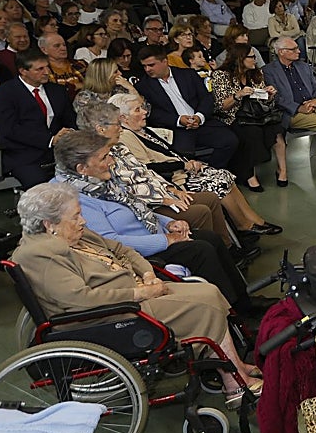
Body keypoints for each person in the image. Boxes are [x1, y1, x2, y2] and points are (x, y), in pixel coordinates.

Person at [12, 184, 262, 407]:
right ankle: (234, 384)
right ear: (49, 224)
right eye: (76, 216)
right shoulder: (39, 255)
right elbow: (80, 300)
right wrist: (139, 292)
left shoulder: (76, 234)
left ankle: (233, 367)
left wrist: (147, 274)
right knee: (203, 305)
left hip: (134, 295)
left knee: (208, 290)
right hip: (108, 315)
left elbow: (121, 249)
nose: (83, 221)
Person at [51, 131, 264, 319]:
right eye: (104, 157)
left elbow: (139, 209)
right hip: (134, 256)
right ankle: (231, 315)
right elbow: (109, 242)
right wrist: (165, 240)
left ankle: (243, 303)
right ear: (82, 168)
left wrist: (170, 223)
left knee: (211, 238)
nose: (112, 161)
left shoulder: (100, 182)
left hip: (154, 234)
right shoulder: (75, 198)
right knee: (201, 250)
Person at [110, 92, 281, 236]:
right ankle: (244, 226)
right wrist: (182, 165)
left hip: (180, 169)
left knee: (224, 175)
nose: (145, 112)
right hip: (171, 178)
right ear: (123, 117)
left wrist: (187, 162)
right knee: (219, 181)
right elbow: (149, 167)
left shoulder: (142, 130)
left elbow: (167, 153)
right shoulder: (126, 137)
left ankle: (253, 220)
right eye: (138, 110)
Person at [135, 46, 238, 169]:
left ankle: (213, 171)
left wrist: (199, 117)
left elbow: (206, 98)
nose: (147, 69)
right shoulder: (143, 86)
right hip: (174, 129)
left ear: (164, 61)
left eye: (151, 65)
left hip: (201, 123)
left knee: (230, 141)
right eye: (144, 66)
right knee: (180, 155)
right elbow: (153, 113)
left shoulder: (187, 74)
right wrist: (178, 120)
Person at [0, 47, 76, 188]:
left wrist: (68, 133)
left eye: (47, 67)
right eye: (39, 69)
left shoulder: (57, 90)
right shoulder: (3, 94)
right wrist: (50, 140)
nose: (47, 72)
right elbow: (9, 129)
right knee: (44, 190)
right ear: (23, 71)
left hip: (60, 151)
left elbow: (70, 119)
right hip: (22, 155)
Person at [212, 43, 286, 192]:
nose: (255, 60)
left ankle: (282, 170)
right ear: (240, 59)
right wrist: (238, 94)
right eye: (252, 57)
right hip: (233, 116)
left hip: (256, 114)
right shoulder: (221, 75)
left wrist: (268, 94)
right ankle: (248, 175)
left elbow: (263, 101)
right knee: (251, 133)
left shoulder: (255, 73)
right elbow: (221, 105)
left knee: (276, 129)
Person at [262, 37, 316, 152]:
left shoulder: (304, 66)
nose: (299, 51)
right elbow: (276, 98)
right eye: (293, 49)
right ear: (281, 52)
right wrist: (298, 108)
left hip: (314, 105)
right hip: (291, 113)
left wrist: (315, 100)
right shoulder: (269, 71)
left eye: (297, 48)